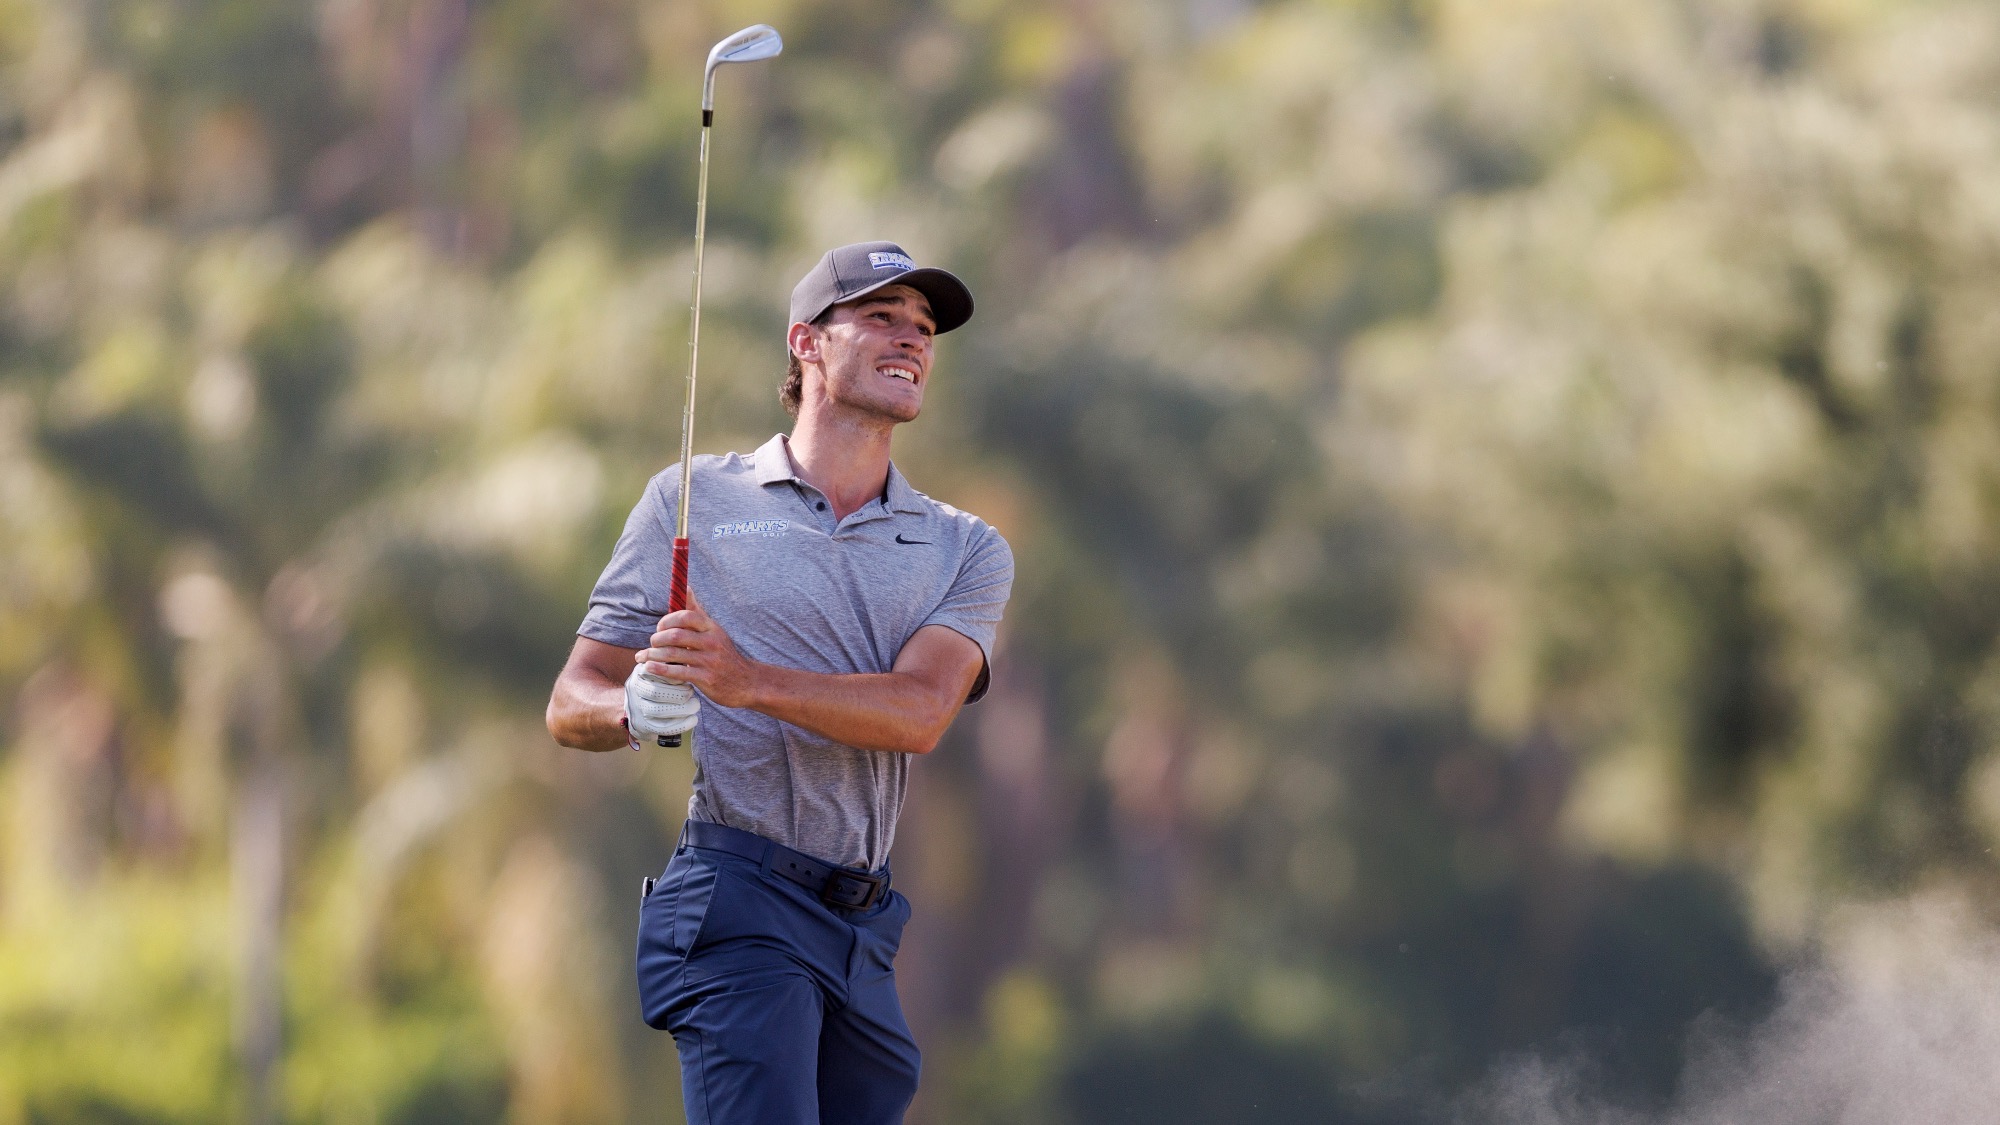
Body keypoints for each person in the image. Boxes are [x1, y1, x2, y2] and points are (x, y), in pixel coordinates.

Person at [546, 241, 1013, 1125]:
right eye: (881, 317)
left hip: (864, 926)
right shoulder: (691, 499)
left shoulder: (965, 546)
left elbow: (919, 713)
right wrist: (630, 709)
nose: (911, 340)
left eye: (923, 329)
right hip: (736, 895)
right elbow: (573, 698)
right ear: (806, 342)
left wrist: (744, 679)